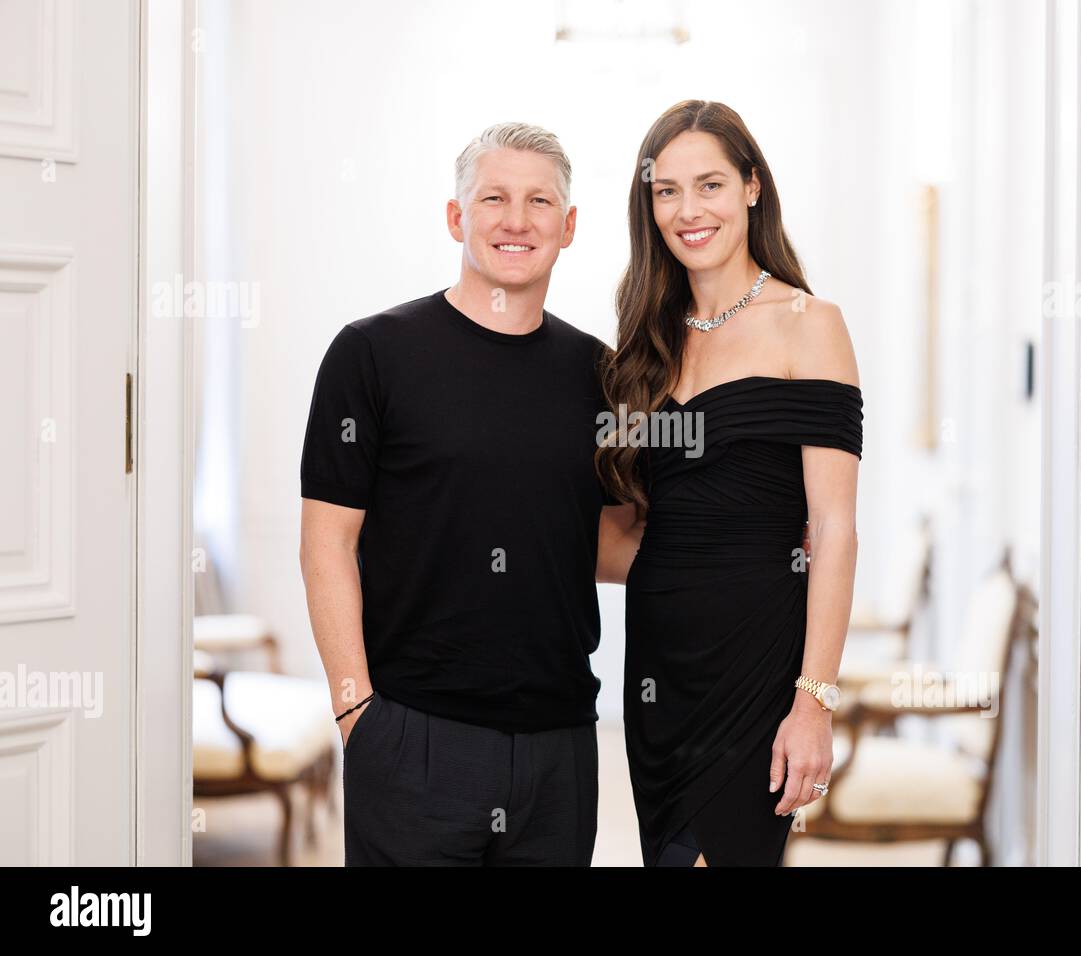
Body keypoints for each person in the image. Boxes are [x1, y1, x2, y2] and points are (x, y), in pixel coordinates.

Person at [299, 122, 623, 866]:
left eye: (540, 201)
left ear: (568, 226)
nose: (517, 220)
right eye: (494, 198)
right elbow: (327, 543)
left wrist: (752, 542)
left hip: (560, 747)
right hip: (413, 736)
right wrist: (357, 713)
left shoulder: (602, 376)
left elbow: (597, 542)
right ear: (456, 217)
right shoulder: (371, 355)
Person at [596, 100, 863, 867]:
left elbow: (835, 529)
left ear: (751, 187)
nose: (688, 210)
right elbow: (629, 530)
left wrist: (814, 701)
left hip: (758, 667)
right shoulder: (643, 340)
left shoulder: (808, 322)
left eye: (709, 184)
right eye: (666, 191)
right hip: (657, 666)